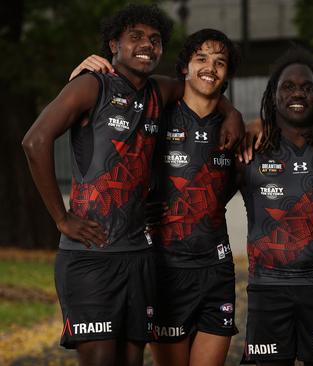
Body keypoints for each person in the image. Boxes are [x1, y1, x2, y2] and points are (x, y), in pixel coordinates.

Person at [22, 5, 241, 366]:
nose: (146, 45)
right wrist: (62, 218)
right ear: (114, 44)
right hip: (91, 256)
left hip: (139, 257)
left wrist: (231, 114)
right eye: (135, 37)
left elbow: (205, 87)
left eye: (155, 40)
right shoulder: (92, 85)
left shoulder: (159, 92)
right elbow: (34, 141)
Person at [238, 48, 313, 366]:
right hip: (267, 288)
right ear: (273, 96)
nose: (298, 92)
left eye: (307, 87)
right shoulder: (249, 147)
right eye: (288, 86)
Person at [145, 29, 240, 366]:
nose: (210, 67)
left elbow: (226, 189)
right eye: (201, 58)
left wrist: (234, 115)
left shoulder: (233, 131)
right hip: (166, 268)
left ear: (227, 73)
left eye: (220, 62)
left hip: (217, 268)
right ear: (184, 66)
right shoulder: (158, 114)